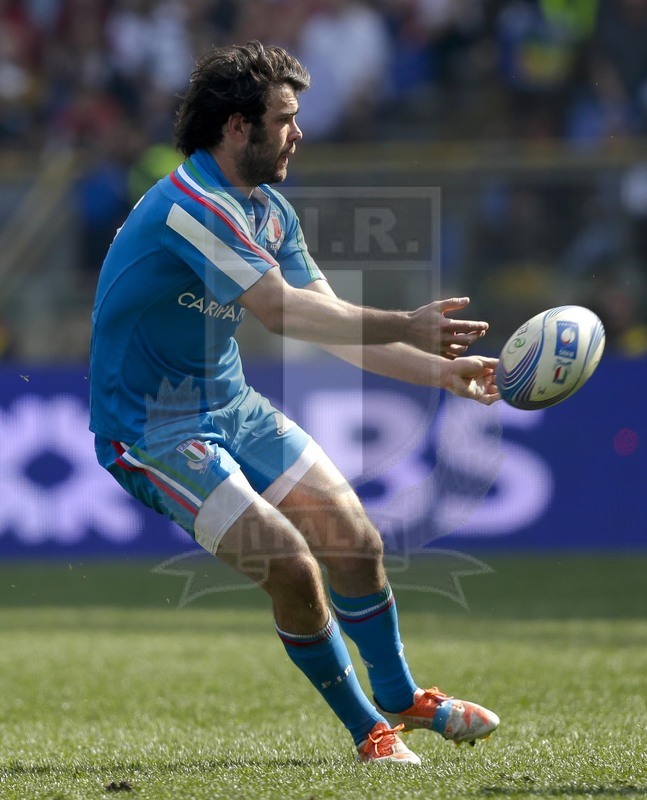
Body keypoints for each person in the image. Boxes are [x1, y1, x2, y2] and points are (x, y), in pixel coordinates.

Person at [89, 40, 500, 764]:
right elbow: (279, 313)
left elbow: (331, 325)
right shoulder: (189, 206)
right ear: (236, 127)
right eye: (283, 118)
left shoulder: (268, 211)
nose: (298, 132)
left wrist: (442, 373)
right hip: (150, 432)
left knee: (354, 539)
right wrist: (407, 322)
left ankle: (402, 696)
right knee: (289, 564)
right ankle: (368, 730)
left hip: (230, 405)